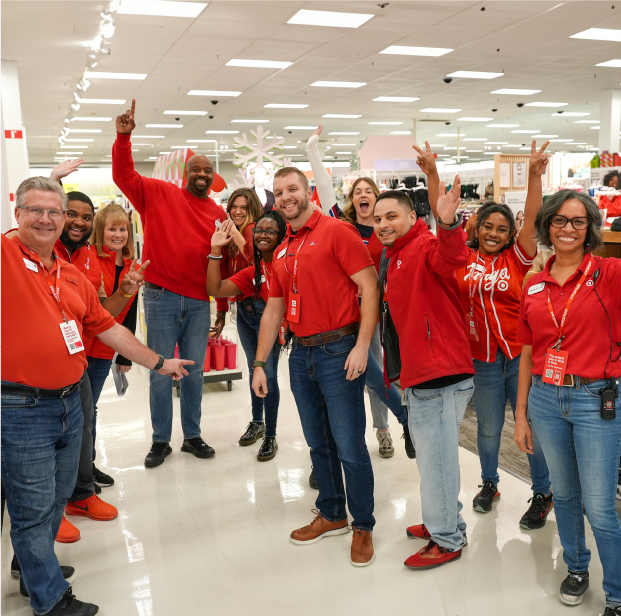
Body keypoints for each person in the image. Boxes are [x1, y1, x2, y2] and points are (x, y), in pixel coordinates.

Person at [0, 176, 192, 616]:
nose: (47, 219)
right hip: (19, 406)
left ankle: (33, 568)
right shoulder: (6, 255)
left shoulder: (71, 275)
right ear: (18, 214)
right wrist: (58, 173)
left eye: (56, 211)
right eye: (36, 210)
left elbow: (108, 328)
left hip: (70, 399)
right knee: (31, 505)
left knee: (56, 494)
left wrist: (159, 363)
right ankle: (50, 601)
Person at [413, 141, 553, 529]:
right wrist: (432, 175)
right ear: (476, 228)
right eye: (488, 227)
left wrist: (535, 176)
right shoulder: (460, 257)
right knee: (488, 430)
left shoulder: (517, 256)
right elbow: (440, 218)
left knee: (530, 428)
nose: (493, 233)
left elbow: (533, 220)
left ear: (510, 234)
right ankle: (490, 483)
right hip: (482, 362)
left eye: (502, 229)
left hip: (519, 358)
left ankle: (543, 491)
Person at [252, 166, 380, 567]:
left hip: (339, 349)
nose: (285, 196)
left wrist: (362, 346)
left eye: (293, 189)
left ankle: (363, 525)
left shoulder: (337, 232)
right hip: (301, 355)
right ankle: (332, 512)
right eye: (278, 192)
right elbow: (274, 308)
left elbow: (370, 286)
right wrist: (259, 363)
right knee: (317, 442)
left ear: (308, 192)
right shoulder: (282, 249)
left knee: (349, 444)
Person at [514, 189, 621, 615]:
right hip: (544, 397)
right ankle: (577, 567)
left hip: (596, 400)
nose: (568, 229)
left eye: (578, 221)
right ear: (548, 226)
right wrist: (520, 414)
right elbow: (526, 352)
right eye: (559, 220)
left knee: (599, 503)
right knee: (566, 493)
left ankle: (616, 591)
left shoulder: (609, 274)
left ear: (591, 228)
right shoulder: (534, 283)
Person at [113, 98, 228, 468]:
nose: (202, 174)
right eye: (196, 169)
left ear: (212, 178)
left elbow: (224, 263)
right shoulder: (159, 193)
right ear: (185, 173)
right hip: (161, 296)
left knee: (193, 370)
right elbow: (124, 177)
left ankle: (192, 436)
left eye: (208, 171)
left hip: (198, 301)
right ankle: (160, 439)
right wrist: (123, 138)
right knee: (161, 369)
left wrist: (222, 307)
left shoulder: (217, 212)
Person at [375, 180, 475, 570]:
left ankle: (446, 538)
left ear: (413, 217)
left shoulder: (424, 246)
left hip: (441, 374)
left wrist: (448, 225)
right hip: (419, 371)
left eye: (392, 216)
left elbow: (451, 257)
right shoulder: (394, 253)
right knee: (433, 459)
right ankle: (448, 522)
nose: (383, 223)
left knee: (436, 462)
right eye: (379, 218)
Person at [306, 127, 414, 460]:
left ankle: (384, 430)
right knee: (369, 373)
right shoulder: (342, 226)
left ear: (378, 197)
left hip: (384, 314)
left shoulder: (389, 231)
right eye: (358, 192)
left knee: (374, 373)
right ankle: (401, 420)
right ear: (352, 200)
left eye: (369, 191)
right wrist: (312, 148)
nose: (363, 196)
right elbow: (325, 190)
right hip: (349, 315)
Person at [207, 211, 288, 460]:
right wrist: (215, 251)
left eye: (270, 231)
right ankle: (257, 421)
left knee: (269, 375)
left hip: (274, 323)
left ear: (281, 236)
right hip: (246, 315)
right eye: (259, 231)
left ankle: (271, 436)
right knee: (256, 371)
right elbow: (214, 288)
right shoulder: (255, 270)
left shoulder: (285, 263)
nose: (262, 234)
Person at [84, 204, 141, 486]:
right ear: (100, 231)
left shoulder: (130, 263)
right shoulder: (90, 258)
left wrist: (125, 356)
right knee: (81, 410)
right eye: (112, 229)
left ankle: (87, 466)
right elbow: (98, 307)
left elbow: (130, 310)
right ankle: (80, 470)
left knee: (90, 408)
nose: (118, 235)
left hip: (107, 347)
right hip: (83, 345)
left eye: (123, 229)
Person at [226, 188, 264, 282]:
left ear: (253, 209)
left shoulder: (251, 228)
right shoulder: (238, 230)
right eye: (234, 207)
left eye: (244, 208)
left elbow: (253, 258)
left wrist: (234, 232)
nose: (237, 212)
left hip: (253, 294)